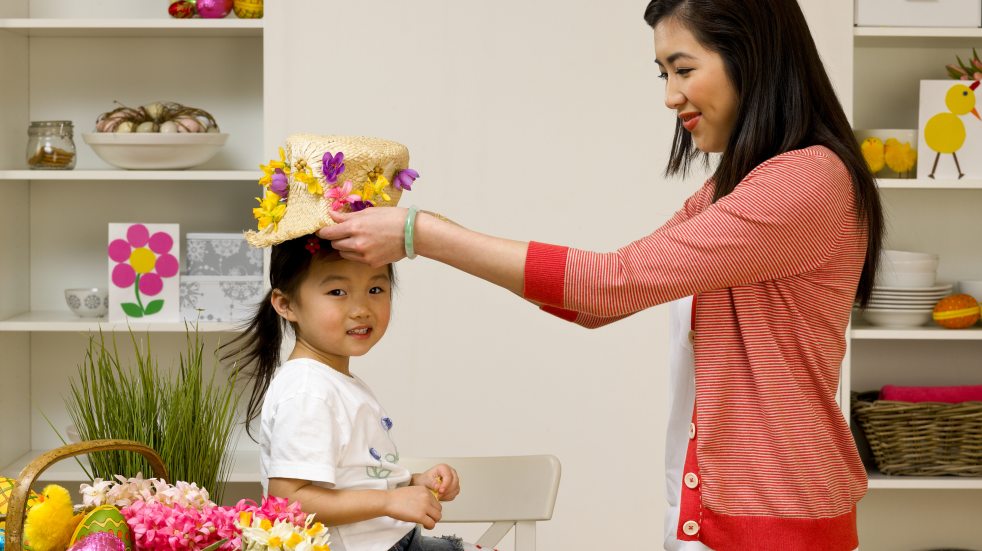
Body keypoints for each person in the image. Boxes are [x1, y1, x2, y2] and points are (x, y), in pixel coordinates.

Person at [317, 1, 883, 550]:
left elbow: (609, 283)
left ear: (751, 57)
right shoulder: (729, 192)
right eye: (663, 73)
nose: (670, 96)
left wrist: (420, 234)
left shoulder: (809, 180)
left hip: (778, 518)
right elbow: (595, 301)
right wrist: (425, 231)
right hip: (719, 517)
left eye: (684, 69)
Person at [223, 134, 472, 551]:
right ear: (286, 304)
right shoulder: (308, 391)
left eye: (376, 289)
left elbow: (352, 479)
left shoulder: (334, 382)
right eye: (338, 292)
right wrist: (392, 500)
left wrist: (412, 483)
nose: (361, 308)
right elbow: (290, 499)